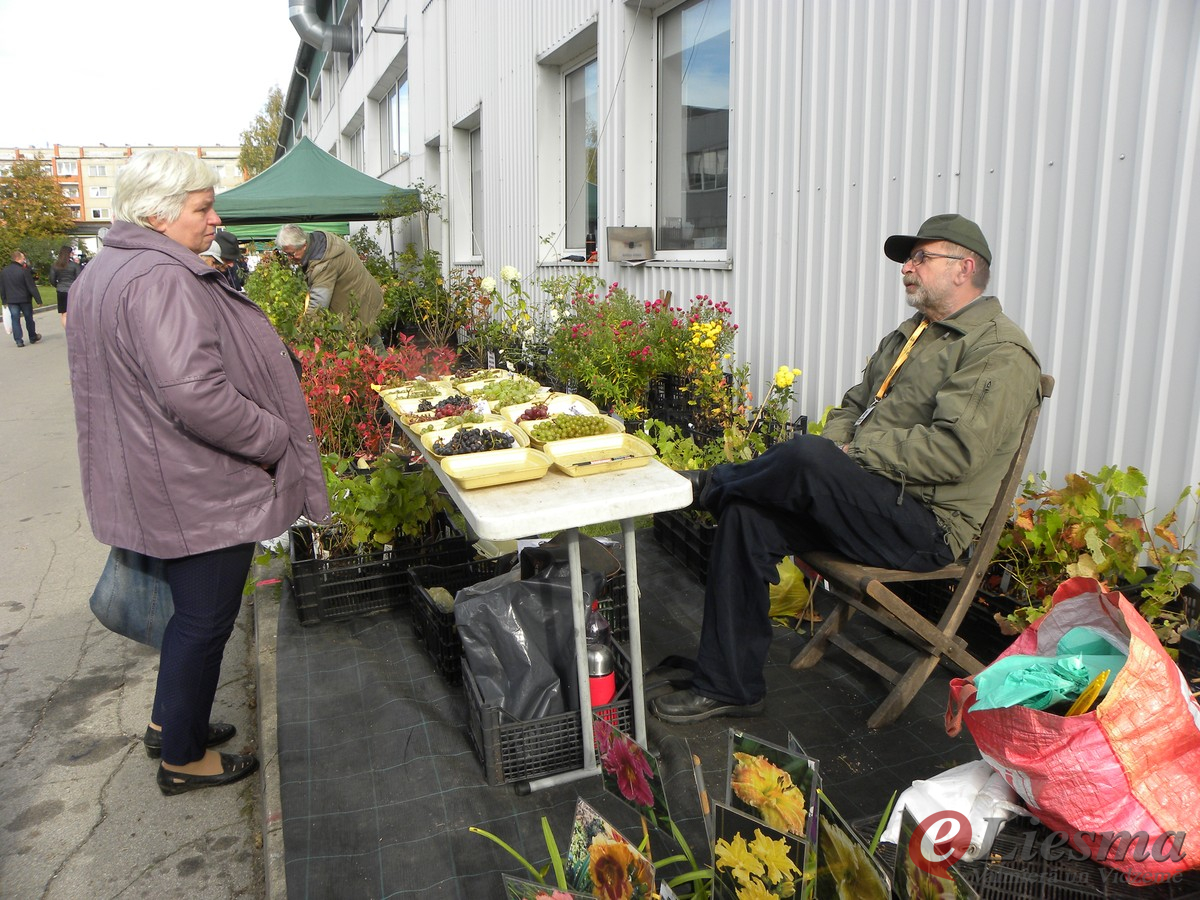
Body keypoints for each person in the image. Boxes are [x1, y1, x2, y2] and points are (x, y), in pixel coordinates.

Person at [650, 214, 1042, 724]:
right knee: (748, 517)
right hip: (868, 499)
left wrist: (848, 454)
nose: (907, 267)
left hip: (925, 524)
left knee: (807, 455)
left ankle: (707, 487)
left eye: (921, 257)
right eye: (909, 259)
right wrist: (841, 446)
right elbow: (854, 405)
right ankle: (729, 685)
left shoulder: (998, 351)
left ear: (964, 268)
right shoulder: (913, 335)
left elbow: (953, 452)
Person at [67, 150, 332, 794]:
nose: (216, 220)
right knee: (204, 621)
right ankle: (182, 760)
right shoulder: (162, 276)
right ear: (157, 214)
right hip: (195, 486)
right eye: (203, 207)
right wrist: (272, 438)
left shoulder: (106, 268)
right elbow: (195, 394)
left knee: (190, 616)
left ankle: (170, 724)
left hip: (150, 473)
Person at [275, 224, 384, 328]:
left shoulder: (323, 264)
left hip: (362, 304)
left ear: (304, 246)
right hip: (361, 299)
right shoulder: (318, 242)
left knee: (365, 334)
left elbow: (318, 306)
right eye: (286, 254)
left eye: (291, 254)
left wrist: (305, 331)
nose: (289, 258)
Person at [1, 250, 43, 347]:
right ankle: (32, 336)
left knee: (15, 319)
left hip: (11, 300)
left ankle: (18, 340)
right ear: (18, 259)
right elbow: (31, 286)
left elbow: (2, 287)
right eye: (23, 258)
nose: (24, 260)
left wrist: (4, 300)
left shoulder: (4, 272)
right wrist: (38, 300)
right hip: (25, 299)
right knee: (29, 318)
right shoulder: (24, 271)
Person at [50, 245, 82, 327]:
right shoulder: (75, 266)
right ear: (69, 254)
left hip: (61, 290)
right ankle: (74, 329)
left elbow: (52, 279)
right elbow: (79, 279)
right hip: (73, 291)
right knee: (74, 312)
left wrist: (58, 285)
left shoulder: (55, 266)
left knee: (64, 314)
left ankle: (67, 330)